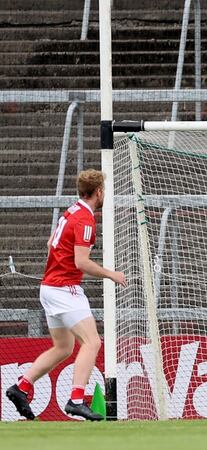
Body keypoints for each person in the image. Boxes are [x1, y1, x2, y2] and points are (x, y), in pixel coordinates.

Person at [5, 169, 127, 421]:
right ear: (99, 192)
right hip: (64, 289)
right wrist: (110, 274)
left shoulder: (71, 211)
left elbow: (51, 244)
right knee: (92, 343)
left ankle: (22, 386)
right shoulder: (85, 219)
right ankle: (76, 399)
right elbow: (81, 262)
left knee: (63, 347)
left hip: (49, 287)